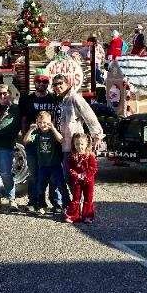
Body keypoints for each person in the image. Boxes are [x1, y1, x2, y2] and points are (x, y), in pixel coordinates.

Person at [51, 73, 103, 214]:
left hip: (74, 146)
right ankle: (72, 207)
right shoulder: (58, 100)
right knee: (64, 177)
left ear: (68, 83)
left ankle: (82, 209)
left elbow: (89, 116)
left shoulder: (75, 98)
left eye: (60, 83)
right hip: (60, 144)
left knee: (74, 179)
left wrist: (97, 135)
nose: (58, 86)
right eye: (55, 84)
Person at [19, 73, 59, 206]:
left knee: (52, 175)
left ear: (48, 83)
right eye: (38, 82)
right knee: (34, 174)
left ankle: (54, 202)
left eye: (44, 82)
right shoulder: (27, 99)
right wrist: (26, 136)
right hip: (33, 142)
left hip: (50, 142)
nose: (41, 84)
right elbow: (23, 119)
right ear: (34, 83)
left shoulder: (54, 98)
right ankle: (34, 201)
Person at [21, 111, 64, 215]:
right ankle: (40, 204)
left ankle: (57, 204)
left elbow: (61, 140)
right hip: (42, 164)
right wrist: (31, 130)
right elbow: (25, 141)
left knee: (54, 182)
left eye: (45, 122)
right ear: (36, 122)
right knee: (40, 183)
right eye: (40, 122)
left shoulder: (53, 132)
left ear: (50, 122)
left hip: (54, 163)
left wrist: (53, 128)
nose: (42, 125)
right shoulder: (36, 133)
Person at [65, 133, 99, 224]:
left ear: (86, 144)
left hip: (88, 181)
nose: (79, 146)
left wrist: (85, 175)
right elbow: (70, 168)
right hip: (77, 182)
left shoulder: (90, 155)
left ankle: (88, 216)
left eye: (82, 144)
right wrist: (76, 175)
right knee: (76, 198)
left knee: (88, 199)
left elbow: (93, 168)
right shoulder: (72, 156)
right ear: (74, 144)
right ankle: (74, 216)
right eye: (77, 144)